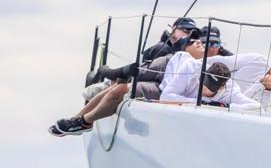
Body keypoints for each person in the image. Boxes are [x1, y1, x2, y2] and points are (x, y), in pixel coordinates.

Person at [48, 38, 210, 137]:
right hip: (164, 79)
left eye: (201, 42)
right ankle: (77, 120)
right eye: (191, 41)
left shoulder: (214, 64)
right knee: (119, 85)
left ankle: (85, 121)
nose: (198, 42)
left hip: (164, 90)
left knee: (121, 89)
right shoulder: (177, 57)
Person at [89, 17, 202, 84]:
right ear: (173, 30)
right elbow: (146, 74)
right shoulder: (163, 49)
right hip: (130, 79)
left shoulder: (185, 52)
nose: (189, 35)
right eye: (186, 30)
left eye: (193, 33)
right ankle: (102, 71)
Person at [160, 61, 258, 110]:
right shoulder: (190, 68)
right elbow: (164, 97)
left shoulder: (230, 91)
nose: (204, 89)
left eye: (210, 88)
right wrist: (202, 103)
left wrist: (224, 107)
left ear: (221, 88)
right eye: (204, 83)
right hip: (171, 65)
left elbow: (256, 106)